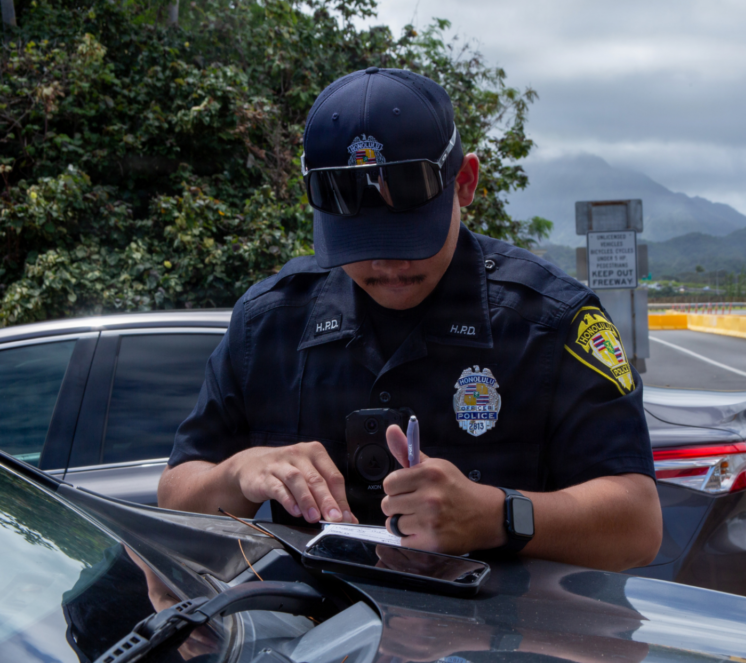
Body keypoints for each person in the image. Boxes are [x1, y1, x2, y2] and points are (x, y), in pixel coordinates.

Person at [158, 67, 661, 572]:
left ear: (464, 183)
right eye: (361, 243)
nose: (388, 264)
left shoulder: (549, 323)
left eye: (408, 235)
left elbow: (638, 526)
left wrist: (497, 515)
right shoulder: (267, 324)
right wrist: (239, 472)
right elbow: (175, 498)